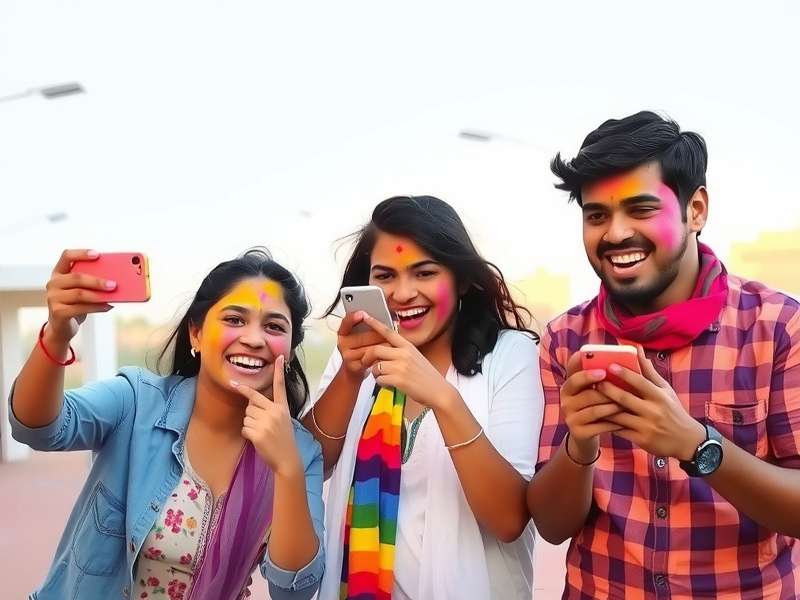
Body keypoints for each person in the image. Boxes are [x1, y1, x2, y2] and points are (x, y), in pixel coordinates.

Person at [527, 111, 800, 598]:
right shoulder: (565, 339)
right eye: (597, 216)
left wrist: (699, 447)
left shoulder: (777, 327)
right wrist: (580, 447)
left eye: (641, 209)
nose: (614, 234)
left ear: (696, 210)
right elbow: (551, 525)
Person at [10, 248, 325, 600]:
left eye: (274, 326)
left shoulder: (298, 452)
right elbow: (37, 429)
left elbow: (294, 589)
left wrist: (286, 469)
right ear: (196, 333)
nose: (254, 339)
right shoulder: (137, 402)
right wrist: (56, 334)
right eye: (234, 319)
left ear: (291, 351)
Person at [304, 195, 544, 599]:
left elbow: (508, 518)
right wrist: (348, 374)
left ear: (462, 279)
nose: (402, 293)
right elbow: (311, 461)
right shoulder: (360, 354)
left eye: (424, 273)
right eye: (385, 276)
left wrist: (443, 398)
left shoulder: (510, 355)